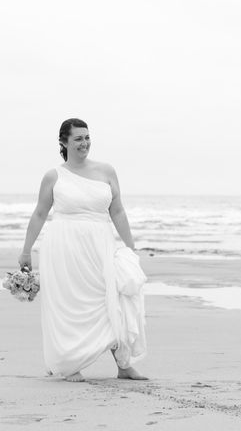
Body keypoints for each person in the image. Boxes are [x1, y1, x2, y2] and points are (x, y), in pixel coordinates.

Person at [19, 118, 147, 382]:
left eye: (87, 137)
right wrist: (26, 251)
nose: (84, 143)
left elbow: (118, 211)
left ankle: (123, 365)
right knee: (69, 305)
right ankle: (70, 364)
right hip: (64, 248)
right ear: (63, 142)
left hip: (100, 245)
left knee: (112, 300)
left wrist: (130, 246)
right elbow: (40, 213)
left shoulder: (106, 171)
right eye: (78, 138)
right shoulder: (54, 176)